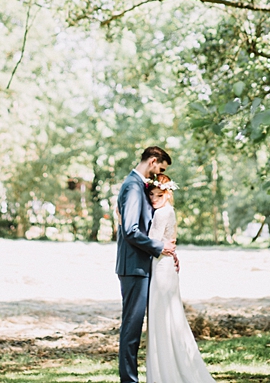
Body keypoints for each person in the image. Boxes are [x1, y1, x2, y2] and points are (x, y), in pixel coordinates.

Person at [144, 174, 216, 383]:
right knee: (170, 317)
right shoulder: (169, 211)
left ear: (168, 193)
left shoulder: (160, 214)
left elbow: (153, 242)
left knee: (161, 318)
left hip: (161, 268)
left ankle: (164, 374)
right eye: (151, 195)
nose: (154, 199)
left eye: (159, 194)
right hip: (166, 266)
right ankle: (172, 369)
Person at [116, 146, 175, 383]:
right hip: (134, 267)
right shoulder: (132, 186)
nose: (158, 175)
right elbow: (131, 230)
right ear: (152, 161)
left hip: (142, 266)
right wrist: (159, 247)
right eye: (159, 169)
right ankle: (129, 381)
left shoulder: (139, 186)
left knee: (135, 327)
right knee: (131, 329)